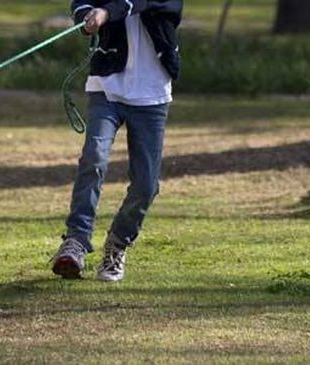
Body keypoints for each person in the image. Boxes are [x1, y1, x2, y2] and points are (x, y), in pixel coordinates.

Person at [51, 0, 183, 281]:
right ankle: (76, 240)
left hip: (153, 92)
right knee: (94, 156)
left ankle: (118, 244)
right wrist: (87, 15)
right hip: (106, 85)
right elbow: (82, 2)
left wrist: (108, 12)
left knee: (146, 185)